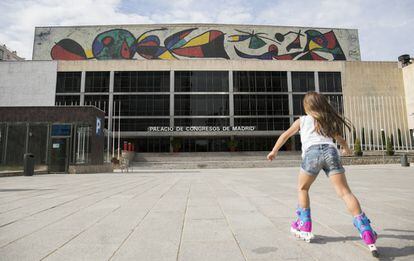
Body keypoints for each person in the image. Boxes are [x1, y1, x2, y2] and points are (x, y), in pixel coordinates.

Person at [266, 92, 378, 257]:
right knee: (345, 192)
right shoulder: (326, 120)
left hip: (312, 154)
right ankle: (366, 230)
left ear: (306, 107)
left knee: (303, 188)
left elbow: (285, 135)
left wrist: (274, 151)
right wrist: (346, 149)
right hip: (331, 153)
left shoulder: (302, 120)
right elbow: (339, 139)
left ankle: (304, 225)